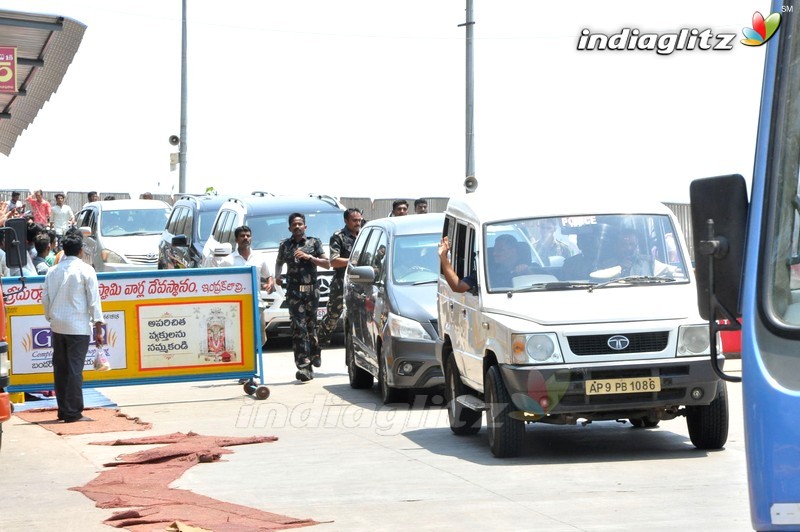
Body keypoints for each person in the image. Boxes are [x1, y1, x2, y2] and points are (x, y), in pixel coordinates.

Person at [41, 228, 105, 423]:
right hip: (77, 327)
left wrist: (50, 317)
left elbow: (45, 298)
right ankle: (73, 412)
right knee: (75, 370)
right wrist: (99, 328)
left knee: (61, 368)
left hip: (58, 325)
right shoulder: (86, 270)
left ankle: (63, 409)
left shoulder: (53, 270)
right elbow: (94, 301)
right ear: (80, 251)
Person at [275, 213, 329, 382]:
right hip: (294, 292)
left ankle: (314, 353)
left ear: (305, 226)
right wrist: (277, 275)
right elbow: (279, 262)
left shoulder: (314, 242)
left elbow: (326, 263)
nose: (297, 227)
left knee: (312, 325)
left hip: (311, 291)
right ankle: (303, 366)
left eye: (300, 224)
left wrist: (309, 257)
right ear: (290, 228)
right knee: (299, 328)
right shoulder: (285, 245)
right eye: (294, 224)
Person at [318, 208, 362, 348]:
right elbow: (334, 261)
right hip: (341, 282)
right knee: (333, 317)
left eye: (359, 220)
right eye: (354, 220)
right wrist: (354, 260)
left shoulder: (365, 234)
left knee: (361, 316)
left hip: (362, 282)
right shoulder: (339, 236)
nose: (357, 223)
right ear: (346, 221)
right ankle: (319, 342)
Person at [230, 225, 275, 340]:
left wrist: (270, 283)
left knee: (260, 337)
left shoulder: (259, 258)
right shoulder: (229, 260)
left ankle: (255, 356)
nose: (245, 238)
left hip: (256, 303)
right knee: (239, 336)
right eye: (242, 236)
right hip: (236, 305)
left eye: (248, 236)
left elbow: (268, 276)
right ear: (236, 239)